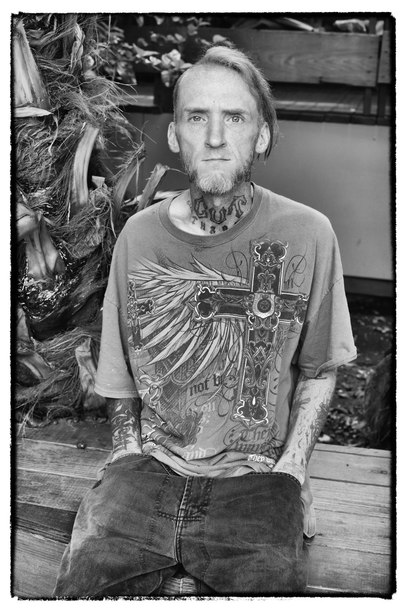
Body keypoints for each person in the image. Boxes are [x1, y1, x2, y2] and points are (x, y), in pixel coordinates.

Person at [53, 45, 357, 597]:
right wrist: (124, 449)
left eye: (234, 118)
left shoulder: (309, 234)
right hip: (149, 468)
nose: (215, 137)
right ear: (175, 136)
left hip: (258, 475)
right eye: (197, 117)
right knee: (82, 590)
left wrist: (292, 468)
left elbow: (320, 368)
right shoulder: (140, 238)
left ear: (262, 135)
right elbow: (120, 375)